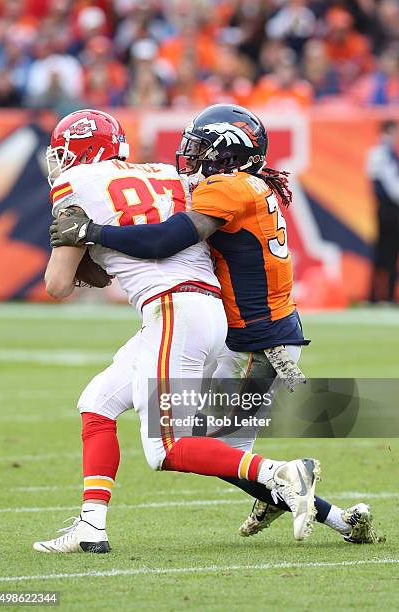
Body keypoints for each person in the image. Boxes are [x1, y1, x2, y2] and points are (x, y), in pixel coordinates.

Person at [50, 105, 379, 546]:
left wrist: (94, 232)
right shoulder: (243, 185)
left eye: (202, 147)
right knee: (115, 408)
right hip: (259, 332)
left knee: (186, 448)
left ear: (229, 150)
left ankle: (286, 479)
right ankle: (338, 518)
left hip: (249, 342)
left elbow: (163, 239)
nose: (192, 155)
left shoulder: (226, 189)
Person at [367, 119, 399, 303]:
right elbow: (389, 187)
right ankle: (375, 296)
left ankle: (388, 295)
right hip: (387, 210)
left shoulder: (390, 154)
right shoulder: (379, 154)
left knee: (392, 252)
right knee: (383, 252)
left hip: (392, 209)